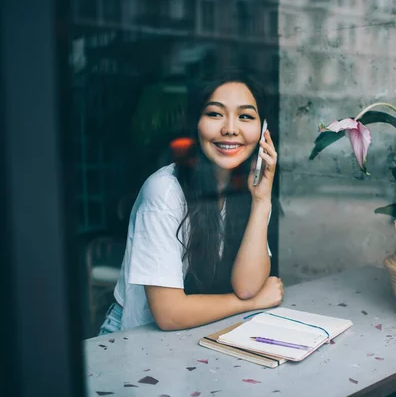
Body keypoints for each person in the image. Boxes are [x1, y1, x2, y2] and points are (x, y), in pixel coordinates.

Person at [99, 71, 283, 334]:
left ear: (263, 131)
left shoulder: (249, 189)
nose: (230, 128)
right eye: (215, 114)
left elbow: (247, 286)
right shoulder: (165, 190)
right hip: (132, 339)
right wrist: (252, 303)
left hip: (192, 337)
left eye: (245, 116)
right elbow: (169, 314)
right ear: (195, 123)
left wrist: (262, 201)